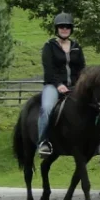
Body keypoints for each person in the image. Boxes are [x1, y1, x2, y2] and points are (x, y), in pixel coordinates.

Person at [38, 12, 86, 158]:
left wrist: (79, 84)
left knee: (94, 104)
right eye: (61, 27)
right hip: (53, 86)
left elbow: (82, 68)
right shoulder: (49, 46)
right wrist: (58, 85)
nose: (64, 29)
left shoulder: (77, 46)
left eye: (67, 27)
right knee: (46, 109)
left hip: (74, 87)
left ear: (71, 29)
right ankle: (43, 142)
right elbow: (49, 69)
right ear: (57, 29)